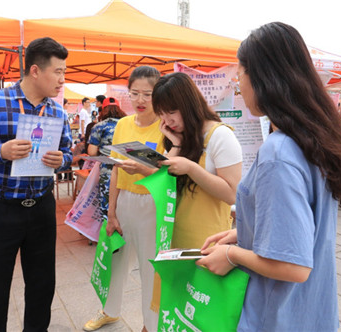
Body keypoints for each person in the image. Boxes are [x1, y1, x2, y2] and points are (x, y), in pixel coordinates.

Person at [195, 22, 341, 331]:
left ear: (263, 78)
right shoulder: (313, 139)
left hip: (277, 315)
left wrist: (232, 255)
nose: (239, 85)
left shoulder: (279, 153)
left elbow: (293, 266)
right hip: (311, 310)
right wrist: (243, 232)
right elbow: (302, 227)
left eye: (240, 75)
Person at [0, 37, 72, 331]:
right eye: (57, 72)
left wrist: (62, 160)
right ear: (35, 70)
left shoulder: (57, 112)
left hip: (42, 208)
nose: (62, 80)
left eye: (64, 72)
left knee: (42, 285)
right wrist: (0, 152)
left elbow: (69, 152)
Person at [150, 72, 243, 311]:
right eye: (161, 113)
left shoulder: (220, 136)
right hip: (173, 237)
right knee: (172, 311)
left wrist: (191, 168)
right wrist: (177, 145)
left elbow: (232, 193)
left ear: (188, 104)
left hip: (206, 241)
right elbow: (164, 180)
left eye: (171, 111)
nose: (166, 120)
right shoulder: (176, 136)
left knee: (199, 312)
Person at [83, 66, 162, 332]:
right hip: (124, 200)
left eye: (147, 94)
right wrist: (112, 212)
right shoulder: (124, 124)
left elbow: (168, 173)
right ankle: (110, 311)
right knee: (116, 259)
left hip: (151, 204)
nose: (140, 100)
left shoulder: (165, 127)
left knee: (150, 267)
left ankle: (151, 325)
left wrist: (146, 168)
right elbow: (115, 168)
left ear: (158, 94)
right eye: (135, 93)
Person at [87, 97, 127, 221]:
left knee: (108, 205)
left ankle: (109, 235)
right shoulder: (128, 125)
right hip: (128, 169)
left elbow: (92, 152)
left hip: (108, 171)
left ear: (103, 110)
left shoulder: (99, 126)